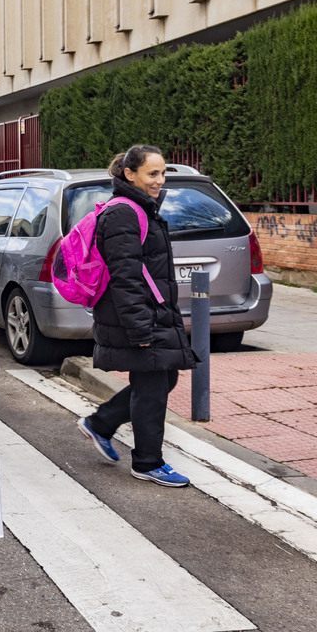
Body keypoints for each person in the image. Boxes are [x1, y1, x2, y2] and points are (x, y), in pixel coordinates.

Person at [76, 145, 195, 488]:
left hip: (152, 312)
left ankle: (100, 424)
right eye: (152, 174)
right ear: (130, 174)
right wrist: (140, 327)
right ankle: (147, 462)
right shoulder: (124, 214)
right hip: (139, 316)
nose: (160, 180)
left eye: (163, 173)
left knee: (162, 378)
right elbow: (125, 277)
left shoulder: (141, 208)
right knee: (153, 385)